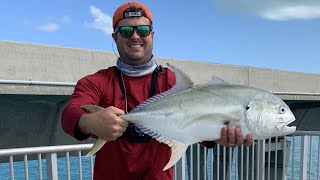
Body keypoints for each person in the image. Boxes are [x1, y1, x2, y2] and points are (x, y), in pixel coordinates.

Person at [61, 2, 253, 180]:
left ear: (152, 34)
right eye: (126, 31)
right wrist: (88, 122)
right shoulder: (97, 82)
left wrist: (219, 135)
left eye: (143, 30)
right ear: (115, 36)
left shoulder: (171, 81)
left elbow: (196, 124)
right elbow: (70, 114)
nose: (135, 36)